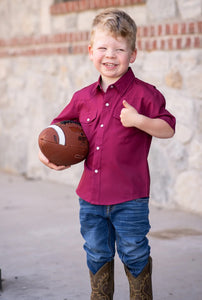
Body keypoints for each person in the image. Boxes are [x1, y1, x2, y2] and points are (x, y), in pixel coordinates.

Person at [39, 8, 176, 300]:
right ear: (91, 52)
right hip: (90, 197)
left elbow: (167, 129)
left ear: (133, 55)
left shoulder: (144, 95)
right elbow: (56, 130)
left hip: (130, 197)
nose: (110, 55)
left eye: (119, 49)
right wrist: (48, 155)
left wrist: (140, 121)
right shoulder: (82, 98)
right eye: (102, 47)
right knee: (96, 252)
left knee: (134, 252)